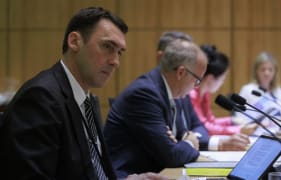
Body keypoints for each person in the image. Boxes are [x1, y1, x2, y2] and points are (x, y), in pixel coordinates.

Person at [0, 7, 167, 180]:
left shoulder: (86, 99)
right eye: (107, 46)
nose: (115, 61)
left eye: (119, 52)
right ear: (74, 41)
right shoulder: (41, 98)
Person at [104, 38, 208, 177]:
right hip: (128, 175)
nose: (196, 87)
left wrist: (181, 142)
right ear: (181, 73)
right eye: (197, 80)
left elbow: (178, 137)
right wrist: (189, 143)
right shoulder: (145, 93)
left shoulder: (169, 91)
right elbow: (172, 155)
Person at [188, 45, 257, 136]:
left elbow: (210, 121)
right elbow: (203, 127)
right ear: (210, 78)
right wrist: (238, 130)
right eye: (223, 78)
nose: (223, 82)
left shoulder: (205, 93)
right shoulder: (191, 94)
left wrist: (231, 121)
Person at [235, 51, 281, 135]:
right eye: (263, 69)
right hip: (254, 134)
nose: (267, 73)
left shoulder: (279, 92)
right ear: (256, 71)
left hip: (277, 135)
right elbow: (238, 116)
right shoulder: (247, 90)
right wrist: (254, 125)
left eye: (270, 69)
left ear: (275, 72)